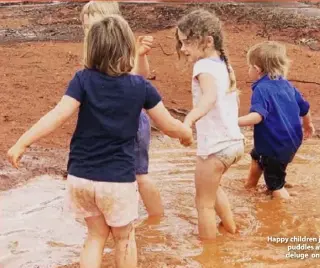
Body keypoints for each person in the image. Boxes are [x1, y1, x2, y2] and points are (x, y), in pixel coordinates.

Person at [7, 15, 193, 268]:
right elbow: (168, 125)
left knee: (95, 236)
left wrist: (22, 142)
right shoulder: (140, 87)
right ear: (128, 48)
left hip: (80, 178)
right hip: (117, 181)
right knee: (124, 237)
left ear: (91, 49)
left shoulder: (82, 80)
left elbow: (58, 114)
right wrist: (186, 135)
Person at [81, 1, 164, 217]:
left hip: (131, 123)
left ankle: (158, 220)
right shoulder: (94, 53)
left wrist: (141, 55)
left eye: (92, 26)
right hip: (111, 123)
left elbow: (139, 79)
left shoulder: (122, 48)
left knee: (139, 174)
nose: (89, 32)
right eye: (86, 27)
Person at [176, 9, 245, 240]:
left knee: (203, 204)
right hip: (234, 145)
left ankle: (210, 256)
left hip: (214, 148)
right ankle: (232, 230)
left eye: (186, 42)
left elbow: (209, 98)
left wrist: (189, 118)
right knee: (214, 190)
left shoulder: (202, 67)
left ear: (207, 41)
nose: (183, 48)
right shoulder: (223, 64)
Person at [238, 41, 315, 199]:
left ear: (257, 69)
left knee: (274, 185)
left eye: (250, 67)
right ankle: (250, 185)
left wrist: (232, 121)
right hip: (289, 141)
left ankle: (285, 209)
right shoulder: (286, 85)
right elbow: (305, 108)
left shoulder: (261, 89)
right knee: (257, 156)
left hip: (275, 144)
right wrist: (308, 125)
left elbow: (258, 116)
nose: (249, 70)